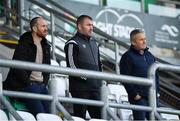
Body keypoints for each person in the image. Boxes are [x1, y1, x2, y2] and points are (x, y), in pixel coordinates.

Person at [3, 17, 51, 116]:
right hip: (25, 86)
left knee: (52, 114)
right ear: (34, 29)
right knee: (41, 115)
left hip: (41, 86)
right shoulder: (25, 43)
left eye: (46, 26)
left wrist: (44, 83)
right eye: (43, 26)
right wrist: (29, 84)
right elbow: (18, 67)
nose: (46, 28)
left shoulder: (45, 45)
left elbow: (48, 68)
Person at [64, 15, 102, 119]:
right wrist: (86, 78)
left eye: (92, 25)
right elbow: (72, 66)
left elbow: (99, 65)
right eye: (88, 25)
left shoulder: (95, 44)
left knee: (99, 118)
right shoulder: (72, 43)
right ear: (79, 27)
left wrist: (99, 82)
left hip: (95, 88)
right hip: (80, 89)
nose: (91, 28)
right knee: (80, 118)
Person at [120, 29, 159, 120]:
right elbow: (125, 77)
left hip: (153, 97)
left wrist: (157, 93)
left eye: (144, 39)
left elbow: (156, 76)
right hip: (139, 99)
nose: (144, 41)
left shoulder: (150, 56)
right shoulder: (127, 56)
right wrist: (134, 94)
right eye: (141, 39)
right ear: (133, 42)